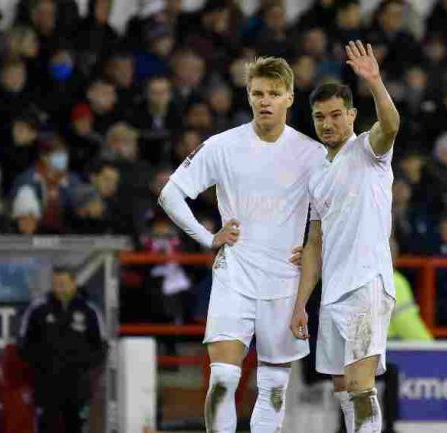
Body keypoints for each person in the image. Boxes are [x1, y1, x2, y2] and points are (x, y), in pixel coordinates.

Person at [158, 56, 326, 433]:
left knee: (273, 387)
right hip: (235, 274)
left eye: (274, 93)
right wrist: (208, 238)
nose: (265, 100)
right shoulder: (222, 145)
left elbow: (327, 218)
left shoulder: (313, 155)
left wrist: (316, 251)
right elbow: (170, 195)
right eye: (257, 93)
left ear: (290, 98)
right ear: (248, 96)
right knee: (223, 378)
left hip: (284, 280)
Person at [291, 40, 400, 433]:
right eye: (320, 117)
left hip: (365, 283)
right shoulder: (317, 174)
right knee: (341, 387)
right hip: (333, 291)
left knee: (359, 385)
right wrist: (301, 303)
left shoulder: (369, 151)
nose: (328, 123)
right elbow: (314, 243)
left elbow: (390, 125)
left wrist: (374, 81)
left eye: (336, 115)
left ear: (351, 115)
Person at [18, 266, 108, 433]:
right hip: (46, 385)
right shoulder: (38, 309)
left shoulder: (89, 311)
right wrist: (40, 366)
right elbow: (23, 343)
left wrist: (84, 368)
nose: (58, 288)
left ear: (74, 283)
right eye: (55, 284)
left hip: (77, 385)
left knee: (76, 426)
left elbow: (101, 346)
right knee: (46, 426)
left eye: (63, 283)